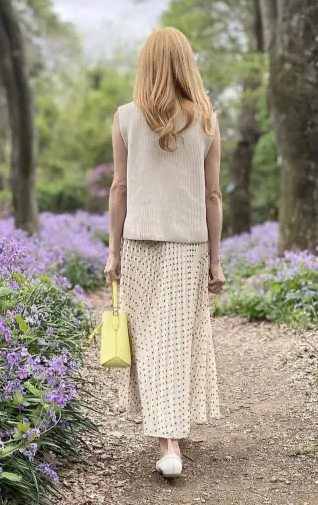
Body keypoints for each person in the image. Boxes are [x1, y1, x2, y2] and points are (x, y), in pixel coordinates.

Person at [104, 26, 224, 479]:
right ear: (185, 63)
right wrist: (215, 260)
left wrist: (113, 252)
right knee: (170, 338)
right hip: (188, 246)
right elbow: (212, 195)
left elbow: (120, 187)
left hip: (138, 244)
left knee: (154, 339)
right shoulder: (207, 121)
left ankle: (167, 438)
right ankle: (170, 438)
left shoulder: (124, 117)